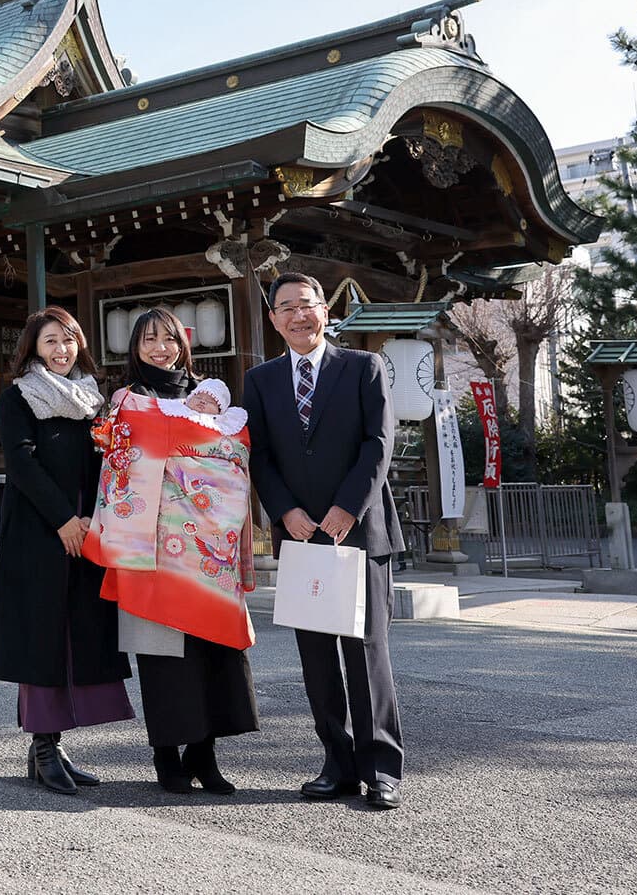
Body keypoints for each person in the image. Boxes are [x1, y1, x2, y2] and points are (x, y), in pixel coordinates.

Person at [243, 271, 407, 810]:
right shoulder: (261, 380)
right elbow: (259, 455)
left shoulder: (363, 367)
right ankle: (336, 762)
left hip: (358, 530)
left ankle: (380, 767)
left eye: (306, 305)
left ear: (324, 310)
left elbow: (378, 443)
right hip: (299, 535)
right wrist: (284, 511)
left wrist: (346, 508)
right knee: (315, 658)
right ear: (273, 319)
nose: (297, 315)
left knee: (366, 652)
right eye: (285, 307)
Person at [88, 308, 259, 797]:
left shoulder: (211, 398)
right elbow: (127, 462)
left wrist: (196, 458)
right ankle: (167, 754)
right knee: (162, 654)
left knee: (213, 651)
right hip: (155, 546)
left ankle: (205, 754)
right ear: (134, 349)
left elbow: (236, 454)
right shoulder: (128, 399)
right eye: (148, 340)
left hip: (210, 545)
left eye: (168, 339)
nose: (159, 348)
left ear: (184, 344)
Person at [0, 305, 133, 795]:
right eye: (51, 341)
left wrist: (97, 516)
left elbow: (108, 462)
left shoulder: (93, 399)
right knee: (42, 636)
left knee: (77, 632)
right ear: (33, 348)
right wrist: (62, 520)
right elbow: (22, 465)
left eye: (69, 340)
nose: (61, 349)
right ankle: (45, 745)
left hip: (88, 528)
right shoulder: (19, 398)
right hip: (39, 529)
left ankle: (51, 746)